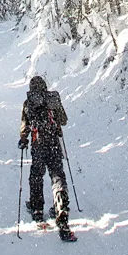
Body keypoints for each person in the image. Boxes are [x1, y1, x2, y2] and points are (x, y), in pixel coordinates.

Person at [18, 74, 75, 241]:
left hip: (38, 143)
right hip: (54, 144)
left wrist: (23, 139)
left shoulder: (29, 102)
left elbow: (25, 125)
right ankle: (61, 212)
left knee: (36, 174)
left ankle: (37, 209)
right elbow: (63, 120)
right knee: (57, 176)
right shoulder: (53, 100)